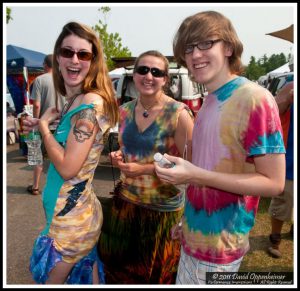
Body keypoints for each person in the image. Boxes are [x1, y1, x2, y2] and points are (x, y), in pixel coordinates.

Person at [154, 11, 286, 284]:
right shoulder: (209, 100)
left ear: (228, 47)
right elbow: (210, 169)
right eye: (188, 48)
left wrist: (193, 175)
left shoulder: (254, 98)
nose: (195, 54)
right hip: (196, 239)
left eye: (205, 43)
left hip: (221, 249)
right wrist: (187, 223)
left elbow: (274, 183)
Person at [22, 21, 118, 284]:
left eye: (83, 54)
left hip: (71, 225)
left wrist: (43, 128)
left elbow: (67, 167)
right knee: (87, 277)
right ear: (58, 56)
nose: (74, 59)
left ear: (93, 61)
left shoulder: (90, 103)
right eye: (67, 52)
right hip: (71, 216)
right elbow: (75, 140)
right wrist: (48, 124)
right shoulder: (76, 99)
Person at [98, 50, 194, 284]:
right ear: (134, 75)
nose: (148, 76)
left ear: (165, 79)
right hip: (127, 204)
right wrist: (119, 155)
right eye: (142, 70)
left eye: (156, 72)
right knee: (120, 271)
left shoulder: (179, 114)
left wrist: (146, 169)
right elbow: (128, 148)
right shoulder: (124, 111)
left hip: (162, 210)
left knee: (156, 276)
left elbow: (191, 168)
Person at [26, 54, 65, 196]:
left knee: (38, 157)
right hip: (60, 126)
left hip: (42, 125)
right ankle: (59, 188)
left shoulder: (39, 80)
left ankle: (35, 187)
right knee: (59, 157)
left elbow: (36, 105)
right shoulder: (63, 80)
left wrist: (36, 122)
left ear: (45, 65)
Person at [267, 74, 294, 258]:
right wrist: (288, 98)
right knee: (284, 199)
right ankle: (275, 238)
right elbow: (272, 112)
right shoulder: (292, 84)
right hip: (291, 157)